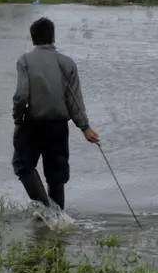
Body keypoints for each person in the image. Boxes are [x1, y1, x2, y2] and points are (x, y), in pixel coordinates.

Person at [11, 17, 99, 211]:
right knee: (56, 176)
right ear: (53, 37)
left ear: (33, 39)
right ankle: (58, 217)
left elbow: (21, 95)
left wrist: (18, 120)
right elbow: (75, 100)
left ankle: (46, 211)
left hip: (32, 125)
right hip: (58, 127)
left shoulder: (24, 61)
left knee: (22, 165)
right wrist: (85, 128)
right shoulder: (67, 63)